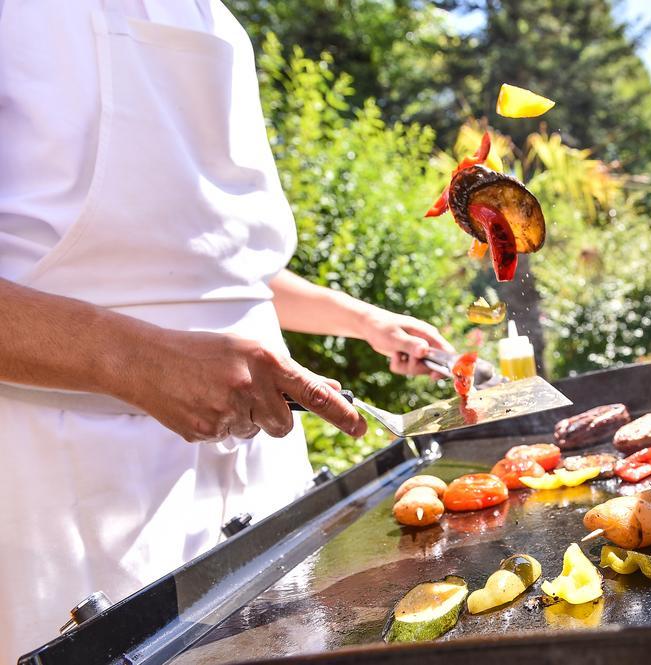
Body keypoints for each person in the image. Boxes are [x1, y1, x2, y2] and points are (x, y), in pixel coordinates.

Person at [0, 0, 453, 658]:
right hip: (74, 487)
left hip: (264, 481)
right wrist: (131, 360)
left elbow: (220, 261)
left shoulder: (218, 22)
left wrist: (364, 320)